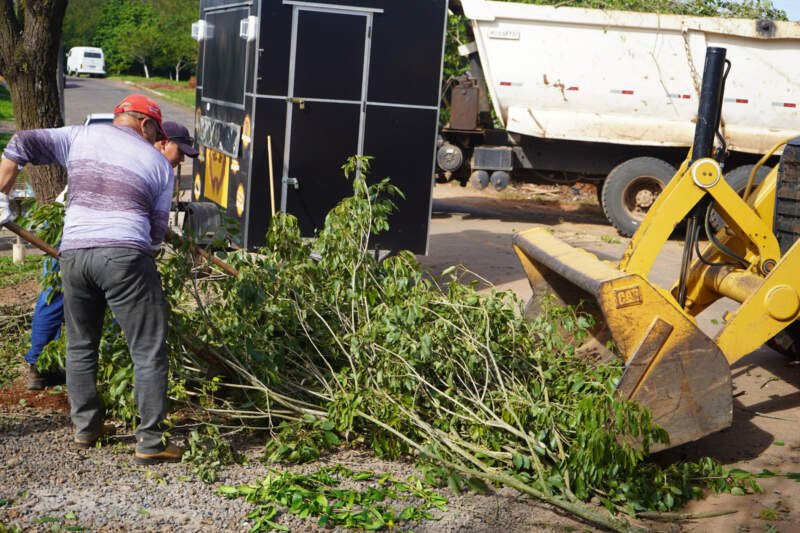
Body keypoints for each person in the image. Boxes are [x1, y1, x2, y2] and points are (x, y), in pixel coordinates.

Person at [0, 95, 182, 465]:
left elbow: (19, 144)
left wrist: (1, 191)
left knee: (81, 344)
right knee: (148, 349)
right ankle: (150, 441)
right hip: (126, 252)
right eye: (155, 132)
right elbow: (157, 234)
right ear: (144, 124)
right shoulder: (159, 166)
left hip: (75, 254)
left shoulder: (79, 136)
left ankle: (87, 428)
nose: (154, 140)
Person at [23, 121, 199, 391]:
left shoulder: (138, 155)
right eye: (180, 151)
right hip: (74, 229)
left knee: (102, 303)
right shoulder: (143, 157)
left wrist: (171, 236)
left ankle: (110, 365)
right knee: (55, 298)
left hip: (90, 231)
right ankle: (39, 366)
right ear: (163, 142)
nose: (181, 160)